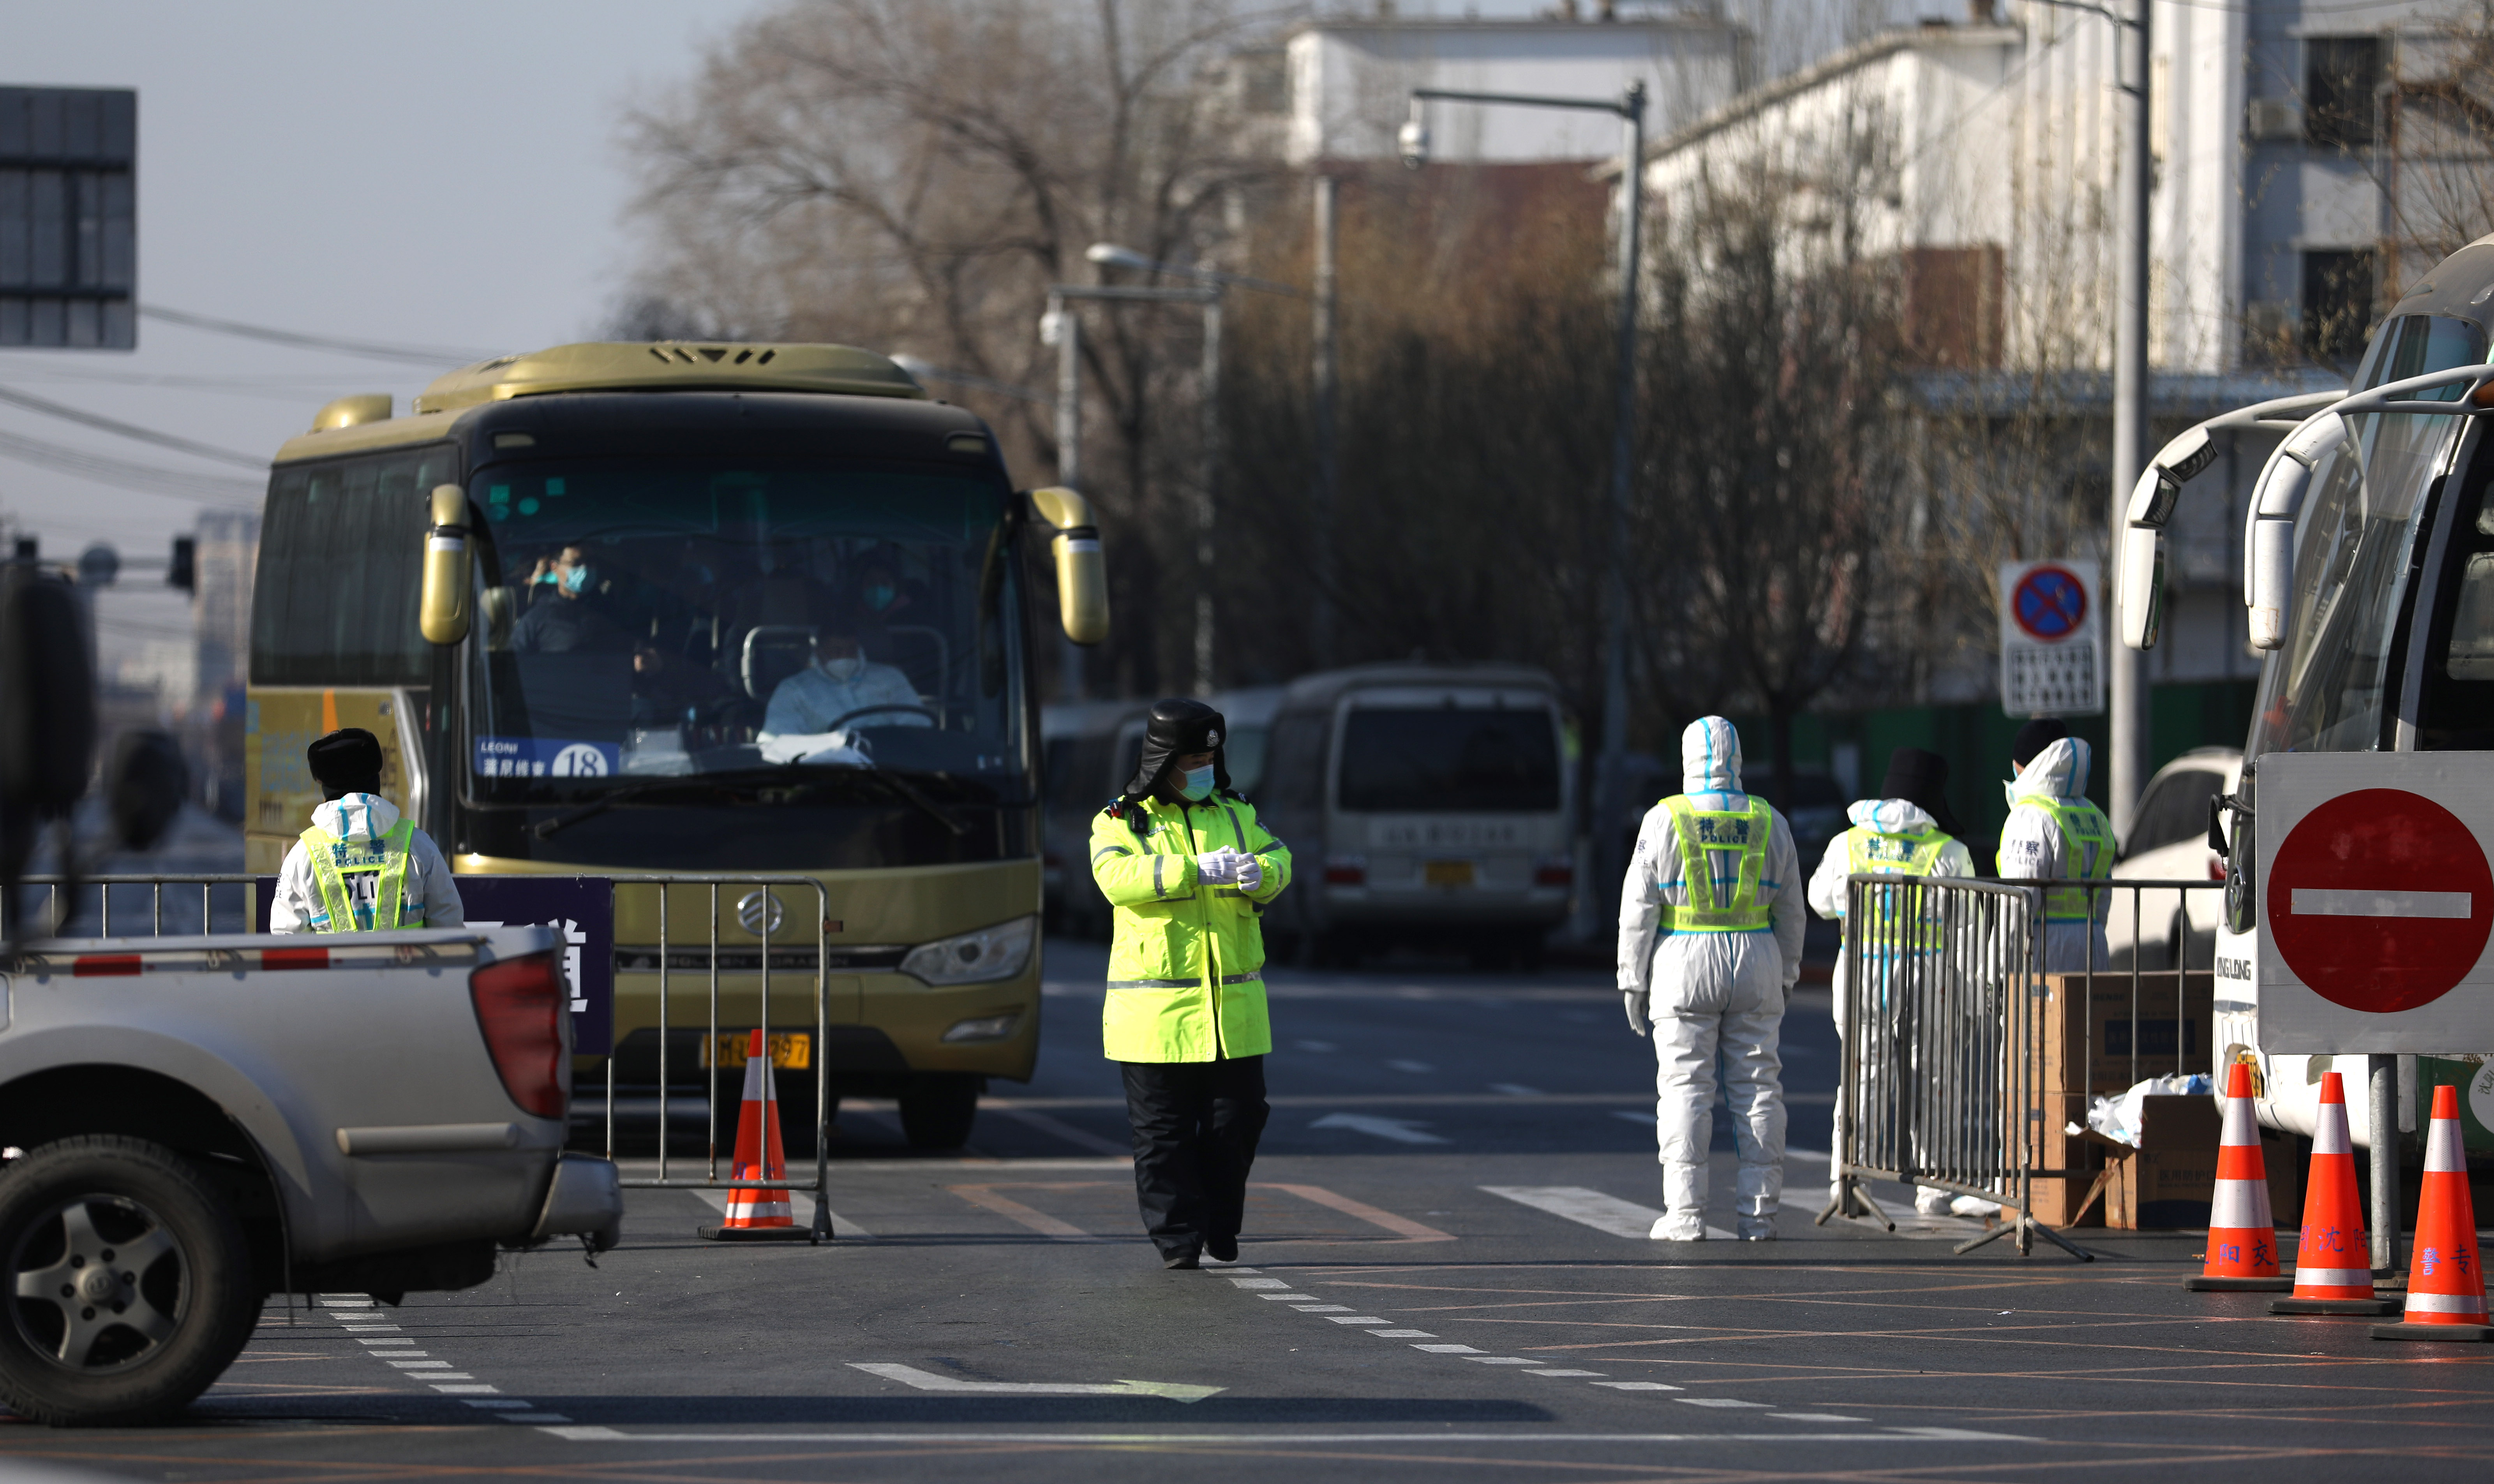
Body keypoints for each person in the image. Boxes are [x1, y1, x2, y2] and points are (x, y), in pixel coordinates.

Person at [1090, 699, 1293, 1269]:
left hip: (1232, 1011)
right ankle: (1179, 1238)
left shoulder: (1235, 811)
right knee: (1164, 1136)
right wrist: (1192, 871)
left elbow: (1279, 857)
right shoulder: (1120, 820)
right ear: (1163, 761)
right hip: (1153, 1017)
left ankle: (1219, 1222)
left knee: (1239, 1120)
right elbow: (1114, 876)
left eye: (1210, 758)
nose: (1204, 768)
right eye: (1193, 760)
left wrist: (1262, 874)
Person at [1617, 717, 1805, 1242]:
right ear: (1737, 759)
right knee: (1758, 1088)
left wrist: (1632, 978)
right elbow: (1792, 911)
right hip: (1756, 957)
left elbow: (1638, 907)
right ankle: (1759, 1216)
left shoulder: (1664, 819)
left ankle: (1685, 1214)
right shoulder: (1771, 821)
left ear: (1688, 759)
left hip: (1682, 962)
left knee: (1685, 1089)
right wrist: (1787, 973)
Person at [1808, 746, 1977, 1218]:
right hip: (1929, 979)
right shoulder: (1949, 852)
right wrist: (1974, 999)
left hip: (1862, 973)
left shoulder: (1848, 844)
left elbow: (1820, 901)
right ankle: (1935, 1190)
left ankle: (1849, 1181)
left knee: (1861, 1078)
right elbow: (1968, 930)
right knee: (1934, 1079)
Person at [271, 729, 463, 934]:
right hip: (411, 957)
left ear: (323, 784)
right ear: (377, 777)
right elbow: (449, 927)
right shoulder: (419, 846)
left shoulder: (304, 855)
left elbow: (285, 937)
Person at [1997, 718, 2114, 972]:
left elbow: (2019, 903)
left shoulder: (2030, 817)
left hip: (2045, 949)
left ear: (2024, 766)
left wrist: (1995, 972)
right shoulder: (2095, 816)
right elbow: (2104, 899)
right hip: (2093, 944)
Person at [759, 613, 930, 740]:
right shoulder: (794, 690)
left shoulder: (890, 678)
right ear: (819, 653)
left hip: (887, 764)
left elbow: (918, 726)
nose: (845, 656)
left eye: (851, 650)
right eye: (837, 651)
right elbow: (779, 741)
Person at [511, 546, 630, 654]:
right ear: (554, 567)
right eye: (576, 564)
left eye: (589, 563)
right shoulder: (537, 618)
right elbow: (515, 661)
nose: (584, 569)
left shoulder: (611, 611)